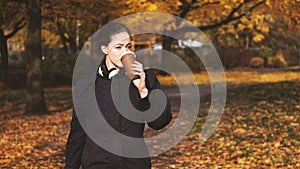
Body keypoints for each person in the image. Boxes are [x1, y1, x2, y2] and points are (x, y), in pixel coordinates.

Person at [64, 22, 172, 169]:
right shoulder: (86, 85)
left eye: (128, 47)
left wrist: (143, 92)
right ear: (105, 48)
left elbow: (160, 122)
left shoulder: (146, 78)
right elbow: (78, 134)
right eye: (118, 47)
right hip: (97, 164)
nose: (124, 52)